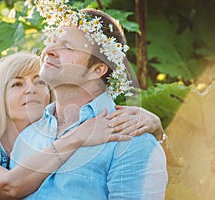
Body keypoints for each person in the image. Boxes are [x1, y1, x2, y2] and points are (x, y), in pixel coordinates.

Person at [0, 52, 162, 200]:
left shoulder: (46, 140)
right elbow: (8, 187)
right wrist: (80, 136)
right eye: (17, 84)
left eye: (39, 81)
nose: (30, 89)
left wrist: (157, 128)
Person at [10, 2, 168, 199]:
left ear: (97, 70)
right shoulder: (28, 135)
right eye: (52, 40)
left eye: (67, 47)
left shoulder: (131, 140)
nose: (49, 50)